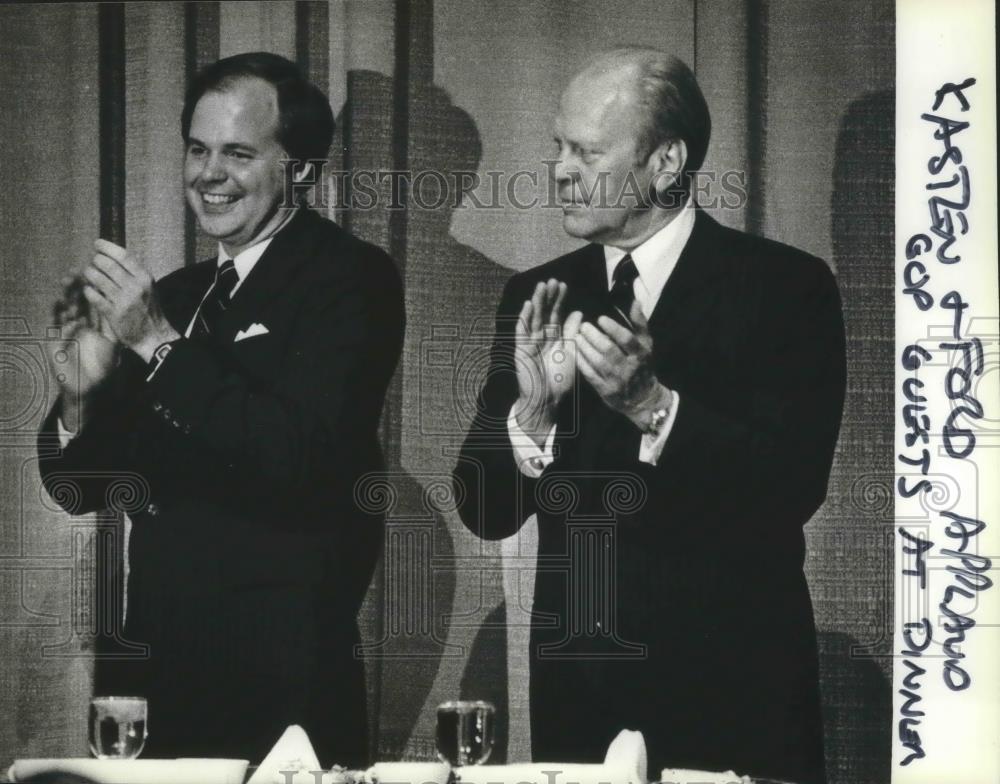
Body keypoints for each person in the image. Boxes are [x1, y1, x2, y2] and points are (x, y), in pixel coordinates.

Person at [453, 48, 844, 784]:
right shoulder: (540, 295)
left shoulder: (784, 288)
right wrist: (531, 415)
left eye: (587, 151)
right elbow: (483, 507)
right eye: (558, 147)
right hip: (581, 696)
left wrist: (653, 408)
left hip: (735, 694)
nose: (560, 170)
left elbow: (792, 485)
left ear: (667, 163)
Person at [37, 52, 405, 766]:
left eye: (237, 153)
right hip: (152, 679)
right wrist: (80, 402)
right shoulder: (173, 295)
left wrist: (158, 346)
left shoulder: (349, 279)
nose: (208, 174)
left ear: (301, 169)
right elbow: (79, 489)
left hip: (280, 685)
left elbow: (297, 453)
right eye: (198, 149)